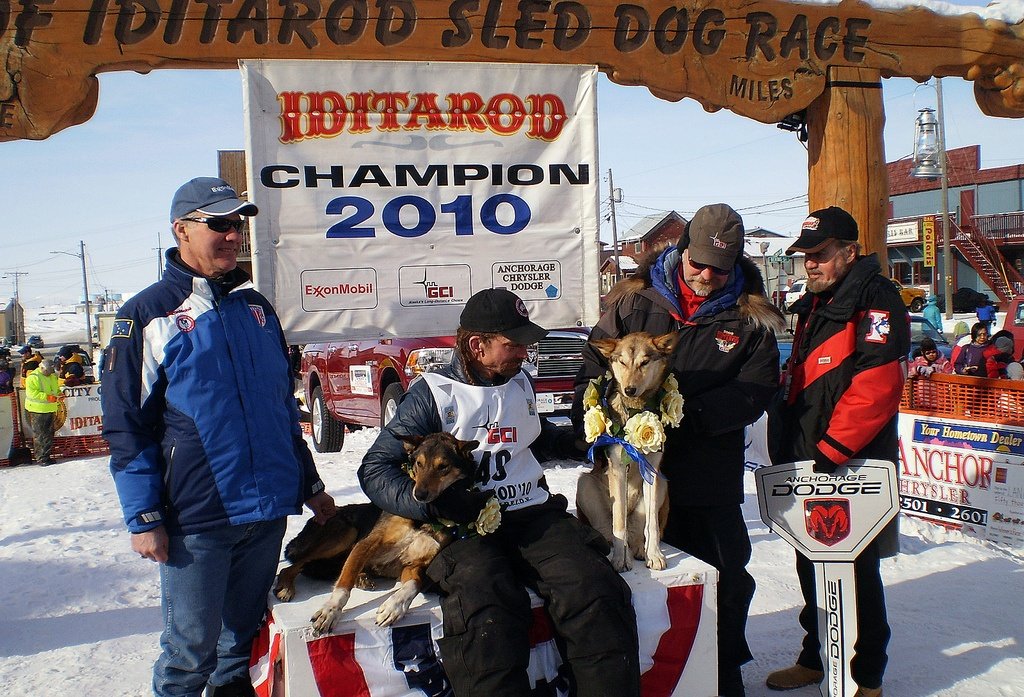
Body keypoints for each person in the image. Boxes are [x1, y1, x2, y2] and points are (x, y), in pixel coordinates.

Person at [102, 177, 336, 697]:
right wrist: (143, 517)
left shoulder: (257, 309)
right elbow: (126, 426)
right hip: (198, 517)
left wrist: (309, 483)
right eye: (219, 224)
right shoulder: (146, 315)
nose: (233, 235)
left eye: (239, 224)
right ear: (181, 230)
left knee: (241, 648)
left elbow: (280, 409)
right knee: (190, 654)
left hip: (268, 510)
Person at [360, 288, 640, 697]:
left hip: (532, 514)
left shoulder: (519, 381)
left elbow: (530, 438)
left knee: (593, 588)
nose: (525, 352)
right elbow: (375, 468)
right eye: (514, 344)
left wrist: (577, 442)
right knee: (487, 606)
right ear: (478, 346)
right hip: (464, 530)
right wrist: (435, 501)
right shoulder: (433, 393)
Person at [574, 203, 785, 697]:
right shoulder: (633, 301)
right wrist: (602, 413)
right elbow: (593, 364)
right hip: (629, 471)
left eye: (720, 268)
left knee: (726, 576)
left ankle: (723, 671)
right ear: (682, 249)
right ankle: (654, 671)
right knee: (633, 572)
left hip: (706, 470)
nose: (707, 275)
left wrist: (683, 414)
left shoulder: (749, 316)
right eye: (699, 263)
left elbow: (757, 388)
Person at [766, 206, 910, 697]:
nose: (810, 264)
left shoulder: (877, 298)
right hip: (811, 459)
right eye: (805, 256)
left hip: (854, 463)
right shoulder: (813, 302)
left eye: (820, 254)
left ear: (849, 252)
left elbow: (877, 384)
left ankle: (867, 677)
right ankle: (815, 656)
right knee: (811, 562)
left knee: (859, 569)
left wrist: (831, 450)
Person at [24, 358, 60, 465]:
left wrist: (59, 394)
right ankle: (41, 458)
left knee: (48, 434)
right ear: (42, 368)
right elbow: (32, 394)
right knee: (40, 435)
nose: (49, 374)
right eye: (48, 372)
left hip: (49, 409)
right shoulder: (33, 377)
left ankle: (46, 456)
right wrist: (47, 397)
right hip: (37, 410)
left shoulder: (52, 376)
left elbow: (55, 389)